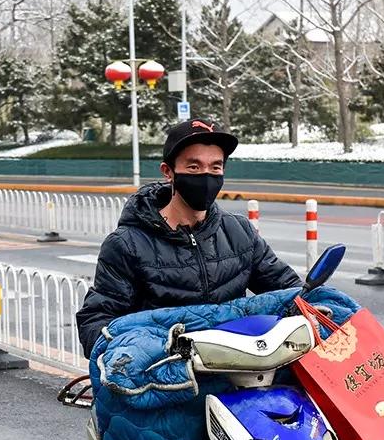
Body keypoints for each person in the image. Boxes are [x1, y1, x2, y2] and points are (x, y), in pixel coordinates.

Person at [76, 118, 301, 357]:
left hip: (237, 371)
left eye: (215, 167)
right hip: (164, 377)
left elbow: (290, 291)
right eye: (193, 167)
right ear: (168, 172)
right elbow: (96, 322)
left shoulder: (239, 231)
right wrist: (139, 352)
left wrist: (318, 306)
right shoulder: (127, 244)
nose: (206, 176)